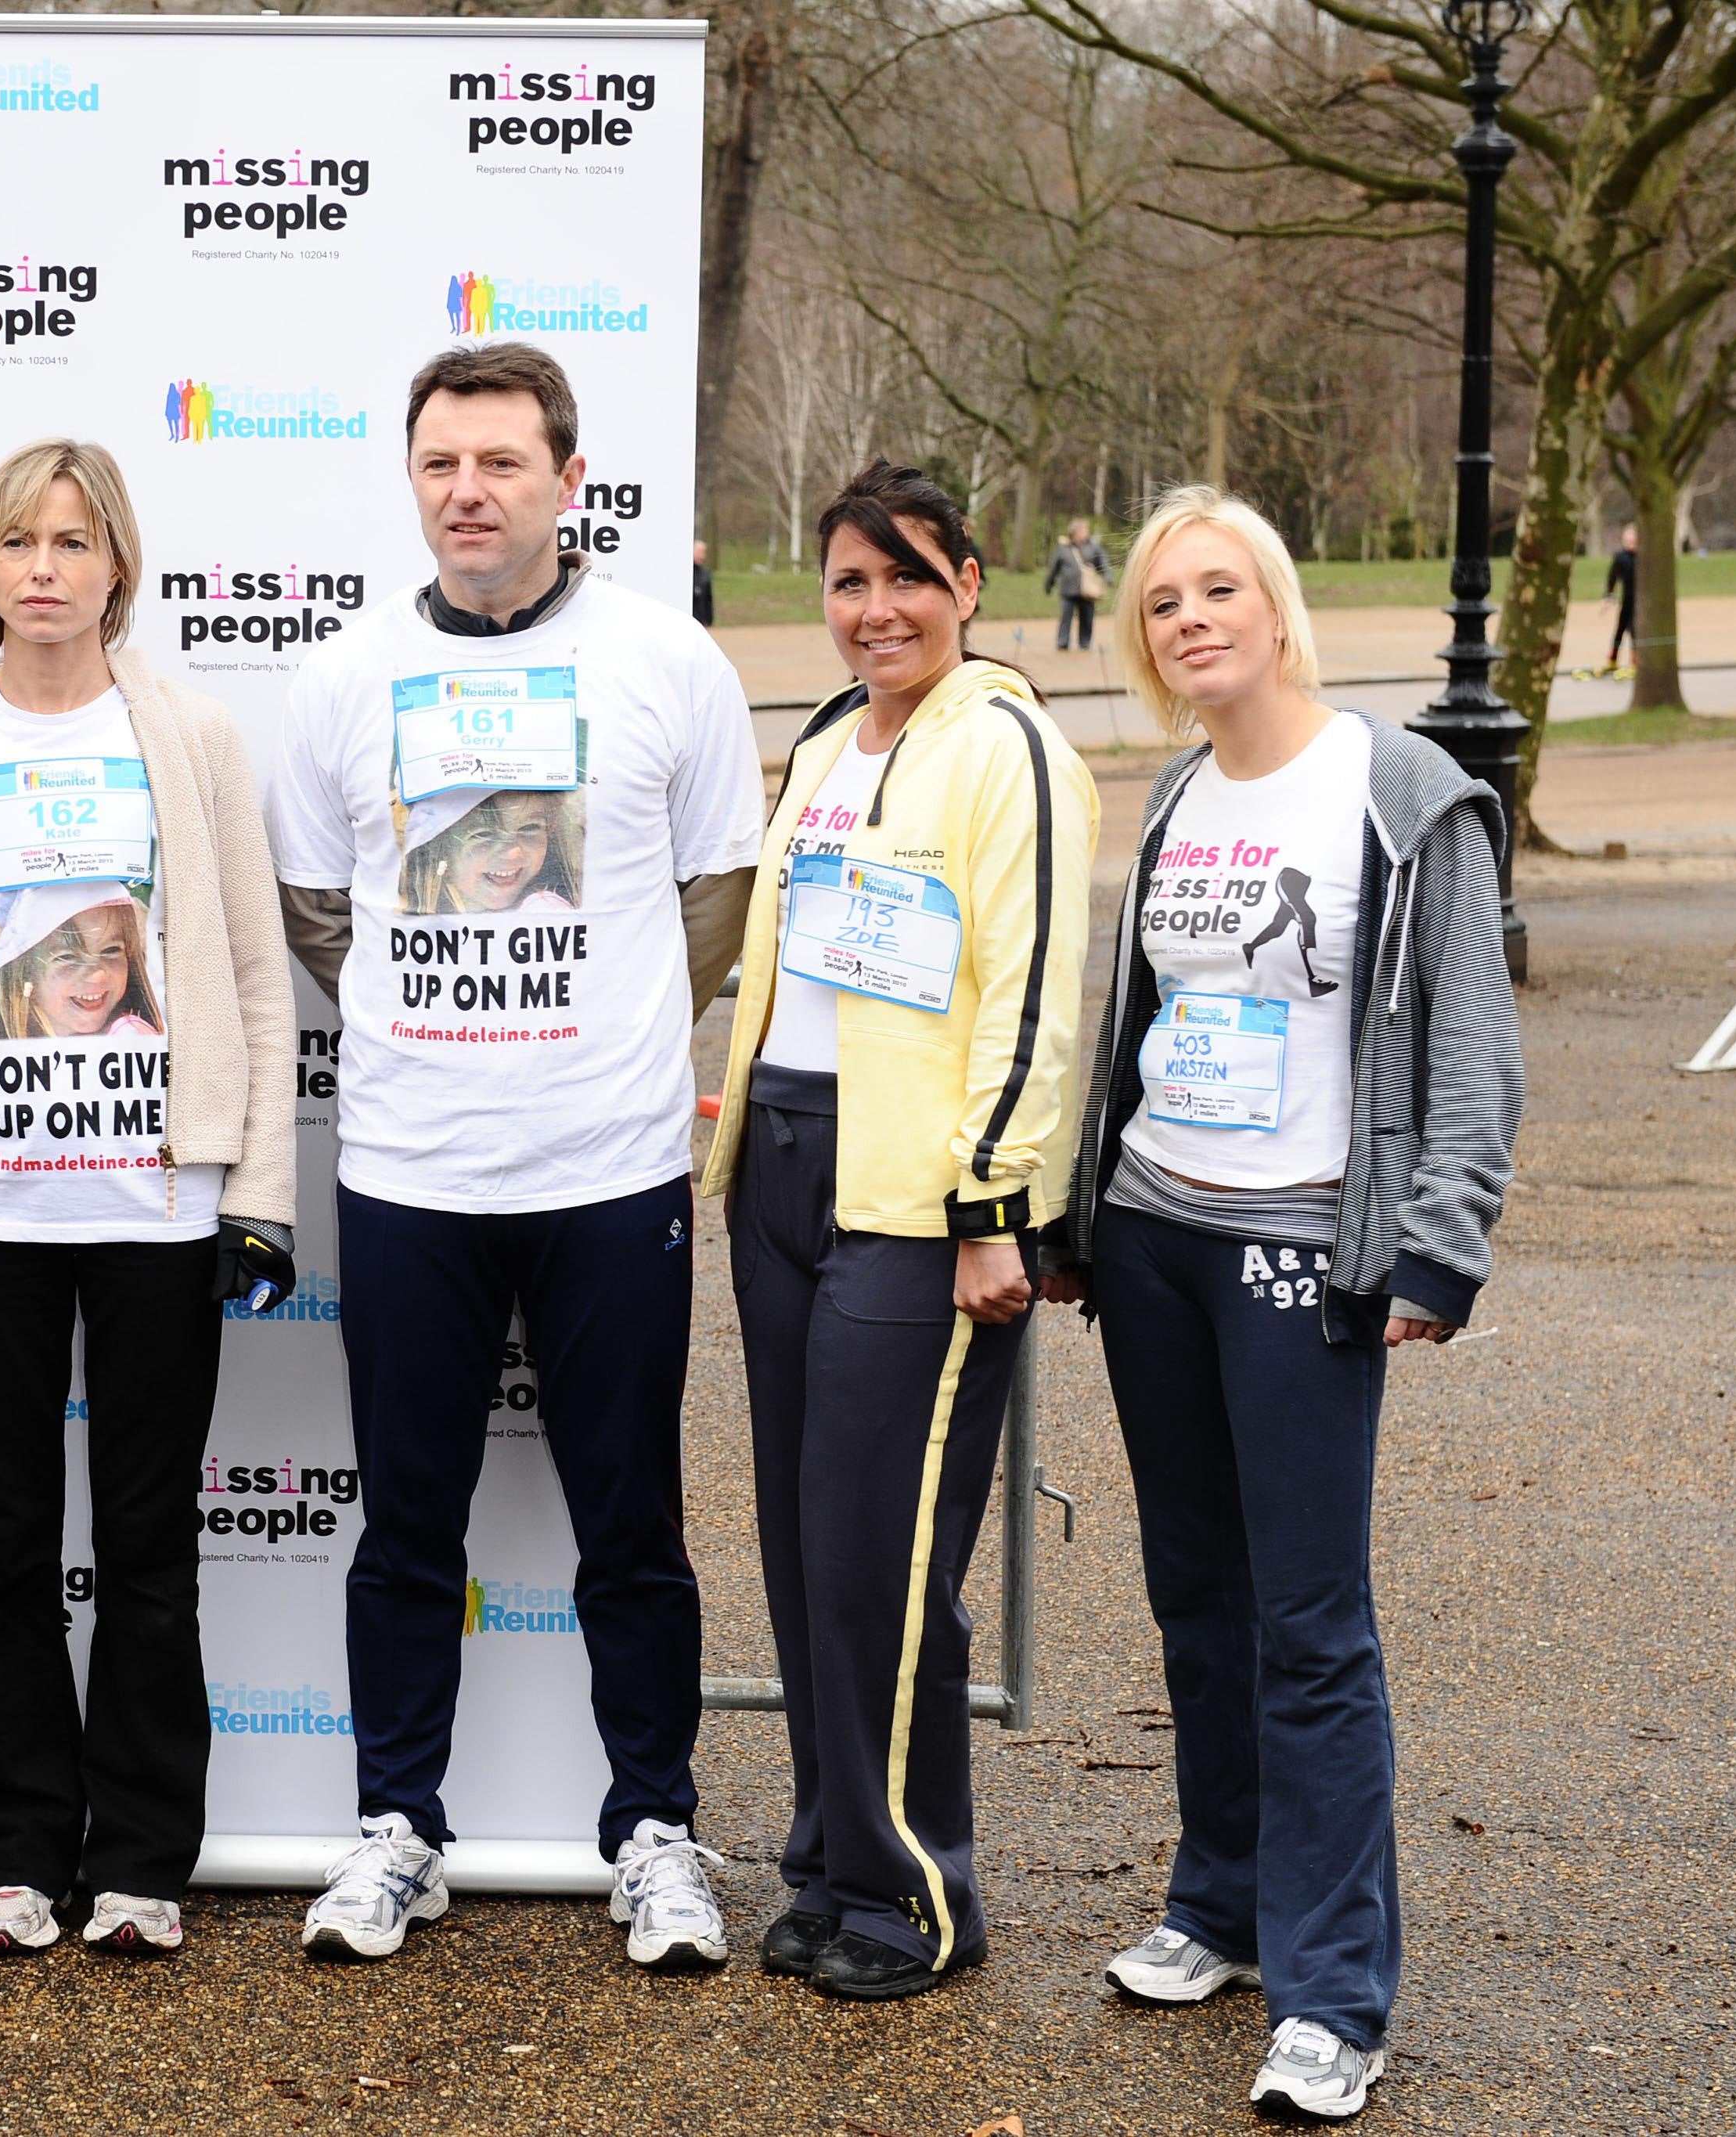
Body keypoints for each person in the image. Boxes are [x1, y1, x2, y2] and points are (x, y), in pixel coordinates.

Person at [264, 343, 764, 1971]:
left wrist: (593, 1022)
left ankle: (656, 1831)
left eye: (497, 462)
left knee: (630, 1523)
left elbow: (711, 900)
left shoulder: (661, 660)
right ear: (408, 483)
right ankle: (396, 1825)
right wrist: (438, 1011)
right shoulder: (339, 678)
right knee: (407, 1523)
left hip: (607, 1172)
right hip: (410, 1174)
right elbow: (319, 908)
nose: (466, 492)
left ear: (565, 477)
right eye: (438, 465)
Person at [1038, 488, 1522, 2123]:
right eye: (1161, 601)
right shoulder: (1178, 790)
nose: (1187, 618)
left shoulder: (1394, 791)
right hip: (1158, 1237)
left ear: (1276, 602)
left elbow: (1473, 1045)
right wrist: (1082, 1216)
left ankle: (1332, 1994)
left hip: (1299, 1250)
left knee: (1309, 1630)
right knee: (1196, 1601)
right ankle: (1219, 1905)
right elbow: (1139, 1022)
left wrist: (1437, 1246)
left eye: (1216, 588)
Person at [0, 438, 297, 1958]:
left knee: (151, 1548)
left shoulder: (187, 735)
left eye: (72, 540)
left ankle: (141, 1864)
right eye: (14, 544)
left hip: (156, 1215)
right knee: (6, 1541)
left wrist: (257, 1191)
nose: (42, 568)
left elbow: (250, 963)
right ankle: (17, 1852)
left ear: (118, 562)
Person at [700, 458, 1095, 2005]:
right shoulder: (819, 745)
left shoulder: (1007, 749)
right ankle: (832, 1859)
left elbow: (1030, 992)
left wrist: (995, 1214)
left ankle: (918, 1888)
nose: (877, 611)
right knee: (806, 1554)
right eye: (851, 582)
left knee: (886, 1551)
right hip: (787, 1166)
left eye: (908, 578)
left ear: (969, 586)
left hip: (920, 1203)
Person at [1046, 517, 1110, 650]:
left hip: (1087, 590)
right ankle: (1063, 642)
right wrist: (1049, 583)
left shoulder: (1093, 547)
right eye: (1082, 530)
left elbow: (1103, 563)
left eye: (1086, 530)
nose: (1085, 532)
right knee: (1066, 617)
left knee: (1087, 617)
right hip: (1068, 589)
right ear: (1074, 532)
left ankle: (1085, 642)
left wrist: (1108, 576)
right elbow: (1054, 567)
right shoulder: (1064, 548)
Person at [1604, 524, 1639, 668]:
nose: (1630, 543)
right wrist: (1608, 596)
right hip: (1627, 601)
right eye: (1627, 540)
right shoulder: (1621, 557)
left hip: (1640, 602)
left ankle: (1636, 661)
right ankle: (1612, 659)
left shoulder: (1643, 557)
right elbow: (1612, 578)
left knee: (1636, 632)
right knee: (1620, 631)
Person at [692, 538, 715, 626]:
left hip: (701, 621)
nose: (702, 556)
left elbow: (708, 598)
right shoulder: (687, 573)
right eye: (699, 552)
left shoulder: (706, 573)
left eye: (703, 553)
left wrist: (709, 618)